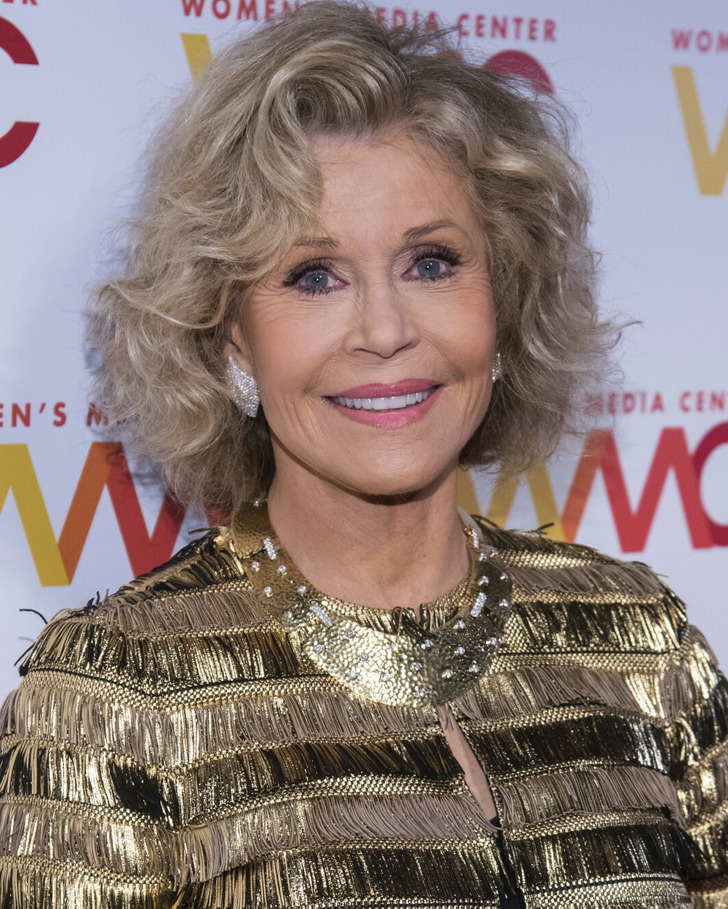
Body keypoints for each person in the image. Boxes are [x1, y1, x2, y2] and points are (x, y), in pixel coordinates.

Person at [1, 2, 726, 906]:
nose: (384, 330)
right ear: (230, 337)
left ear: (504, 304)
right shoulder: (113, 701)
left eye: (432, 263)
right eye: (315, 276)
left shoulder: (642, 645)